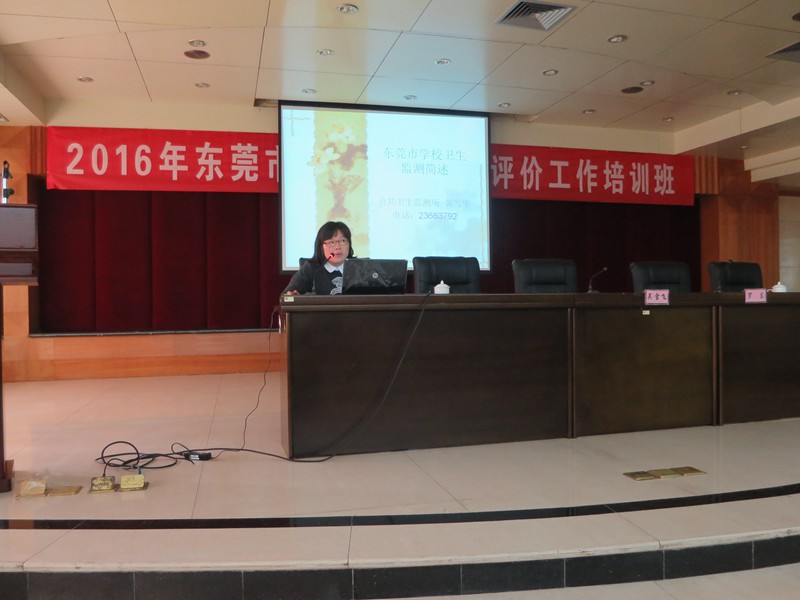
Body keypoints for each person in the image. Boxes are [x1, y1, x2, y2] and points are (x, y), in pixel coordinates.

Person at [282, 221, 354, 295]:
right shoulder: (312, 269)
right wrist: (293, 296)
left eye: (342, 241)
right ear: (321, 246)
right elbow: (286, 296)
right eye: (331, 242)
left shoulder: (358, 268)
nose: (337, 247)